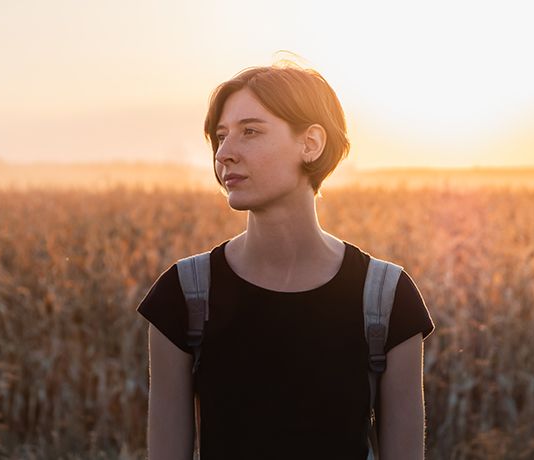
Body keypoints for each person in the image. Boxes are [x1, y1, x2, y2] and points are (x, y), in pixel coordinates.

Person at [136, 61, 435, 460]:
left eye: (251, 132)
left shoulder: (385, 298)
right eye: (221, 137)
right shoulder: (183, 295)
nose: (225, 153)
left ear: (310, 143)